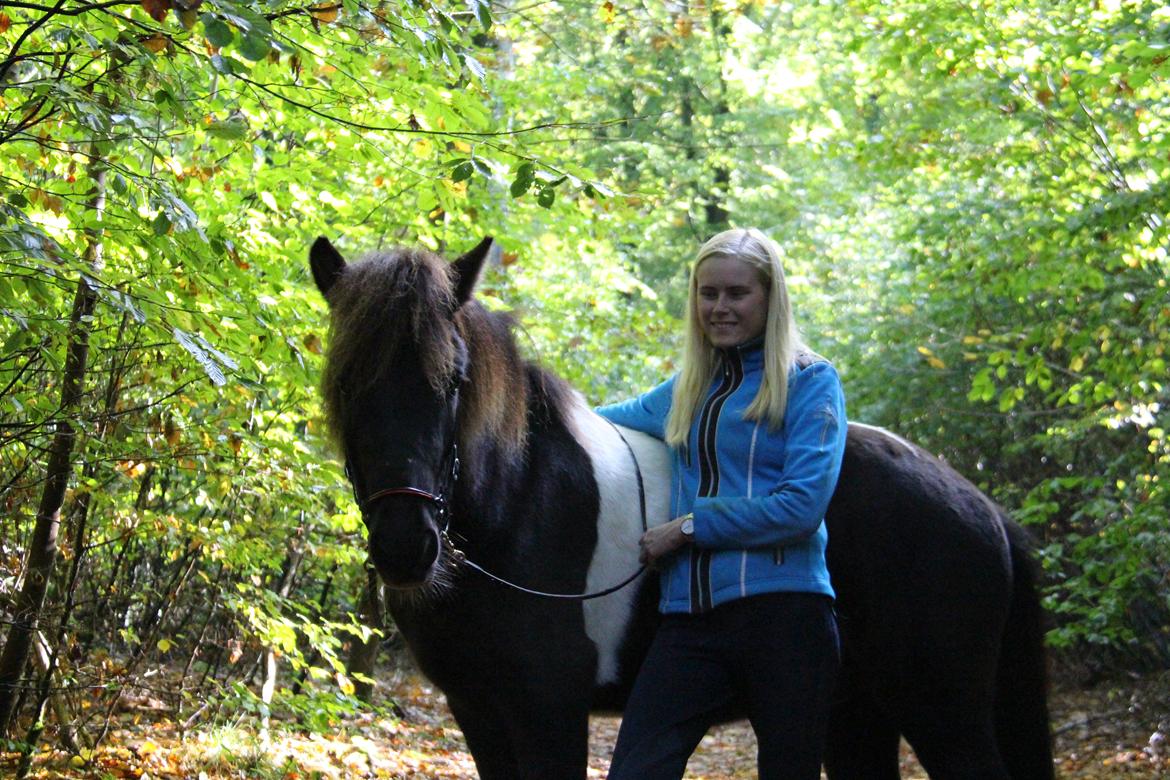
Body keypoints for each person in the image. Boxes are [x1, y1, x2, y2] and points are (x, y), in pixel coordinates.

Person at [596, 227, 847, 779]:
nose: (720, 307)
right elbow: (599, 422)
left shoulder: (810, 382)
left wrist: (686, 528)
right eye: (708, 294)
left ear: (770, 296)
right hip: (690, 624)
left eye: (737, 293)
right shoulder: (689, 387)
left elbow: (801, 506)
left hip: (786, 620)